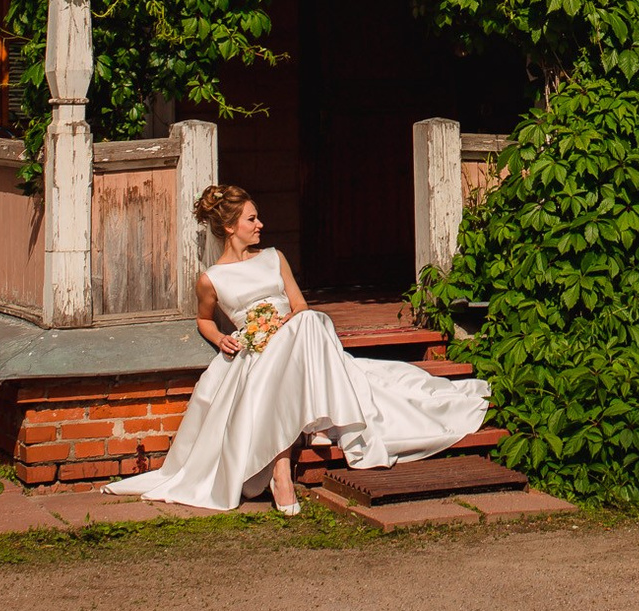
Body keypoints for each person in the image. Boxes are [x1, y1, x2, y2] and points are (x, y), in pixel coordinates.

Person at [106, 184, 491, 513]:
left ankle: (286, 461)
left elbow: (300, 305)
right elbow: (204, 319)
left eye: (258, 218)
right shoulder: (211, 279)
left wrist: (284, 324)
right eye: (252, 219)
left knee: (309, 321)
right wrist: (219, 337)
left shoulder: (275, 258)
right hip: (254, 355)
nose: (261, 225)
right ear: (229, 227)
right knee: (301, 335)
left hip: (294, 336)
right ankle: (288, 459)